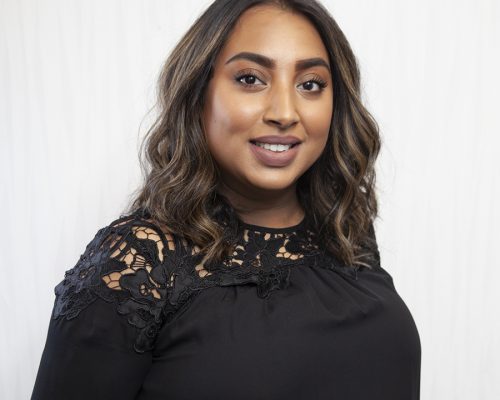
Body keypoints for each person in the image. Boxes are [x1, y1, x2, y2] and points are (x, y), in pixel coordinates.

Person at [31, 0, 421, 399]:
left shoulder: (346, 232)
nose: (285, 112)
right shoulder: (138, 261)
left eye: (310, 84)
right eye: (251, 79)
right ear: (199, 93)